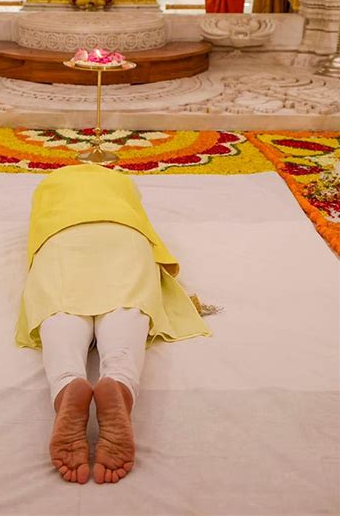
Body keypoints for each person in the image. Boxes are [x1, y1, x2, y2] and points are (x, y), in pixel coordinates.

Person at [15, 164, 211, 485]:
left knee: (60, 306)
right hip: (123, 236)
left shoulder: (49, 187)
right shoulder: (123, 187)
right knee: (126, 303)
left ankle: (67, 385)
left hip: (61, 238)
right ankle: (118, 382)